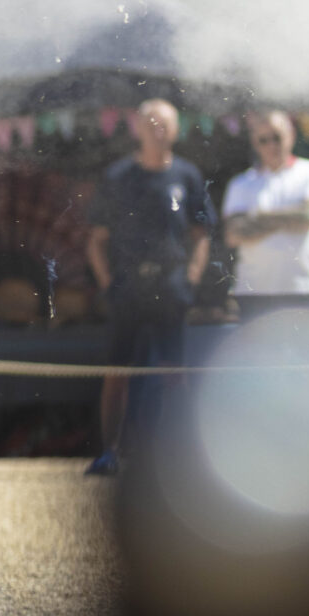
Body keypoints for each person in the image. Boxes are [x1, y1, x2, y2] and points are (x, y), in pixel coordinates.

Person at [83, 99, 214, 477]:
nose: (158, 129)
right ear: (137, 128)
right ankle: (110, 452)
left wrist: (190, 276)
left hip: (170, 283)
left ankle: (181, 457)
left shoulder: (187, 176)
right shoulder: (119, 176)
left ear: (176, 130)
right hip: (127, 283)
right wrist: (107, 281)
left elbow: (201, 235)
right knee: (117, 374)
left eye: (166, 124)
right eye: (151, 123)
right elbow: (97, 239)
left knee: (175, 373)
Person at [223, 110, 309, 322]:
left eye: (277, 137)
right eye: (263, 140)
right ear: (255, 143)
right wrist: (289, 217)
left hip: (305, 287)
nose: (271, 145)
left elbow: (307, 217)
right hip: (254, 293)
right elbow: (234, 233)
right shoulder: (241, 183)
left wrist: (257, 217)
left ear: (291, 135)